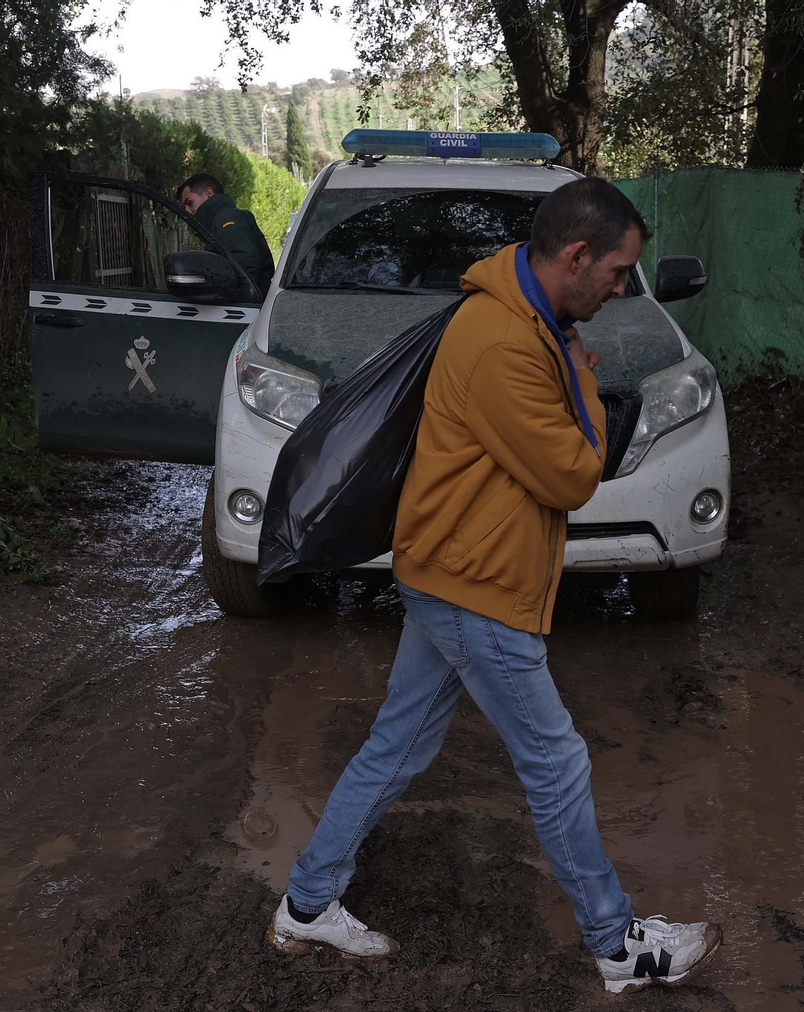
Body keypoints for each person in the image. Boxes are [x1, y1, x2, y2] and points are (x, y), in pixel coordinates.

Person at [267, 178, 722, 995]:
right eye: (617, 272)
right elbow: (574, 474)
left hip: (451, 570)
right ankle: (619, 945)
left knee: (398, 747)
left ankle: (307, 902)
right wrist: (583, 373)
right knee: (556, 761)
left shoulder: (524, 314)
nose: (622, 289)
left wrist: (571, 358)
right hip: (474, 585)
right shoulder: (506, 342)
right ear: (576, 256)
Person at [176, 173, 275, 299]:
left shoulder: (226, 218)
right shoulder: (218, 222)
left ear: (209, 193)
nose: (187, 211)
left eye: (189, 203)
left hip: (249, 309)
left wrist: (232, 301)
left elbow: (246, 268)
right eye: (184, 207)